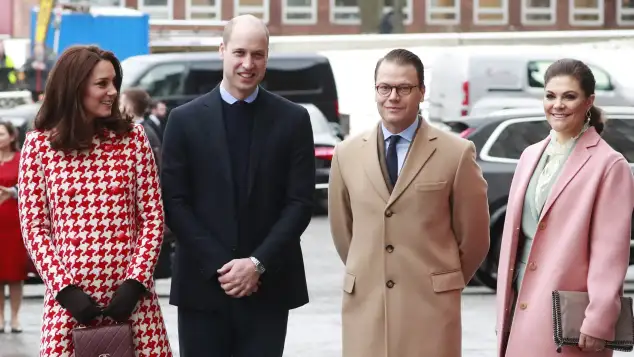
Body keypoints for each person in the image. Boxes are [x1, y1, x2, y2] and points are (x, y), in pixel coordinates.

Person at [161, 14, 315, 357]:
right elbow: (174, 201)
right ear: (222, 51)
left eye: (258, 55)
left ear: (267, 57)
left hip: (268, 285)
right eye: (240, 52)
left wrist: (256, 263)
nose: (248, 63)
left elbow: (300, 202)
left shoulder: (293, 119)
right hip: (202, 285)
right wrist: (224, 266)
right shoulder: (183, 120)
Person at [328, 48, 490, 357]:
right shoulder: (346, 154)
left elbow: (475, 238)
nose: (393, 97)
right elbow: (343, 231)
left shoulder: (456, 153)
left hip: (430, 309)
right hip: (367, 308)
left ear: (422, 92)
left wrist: (442, 281)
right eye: (384, 88)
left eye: (404, 88)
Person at [17, 45, 172, 356]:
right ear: (75, 87)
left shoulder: (133, 139)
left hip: (133, 305)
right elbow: (35, 227)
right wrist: (64, 290)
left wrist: (136, 283)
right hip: (69, 307)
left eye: (114, 82)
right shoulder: (39, 146)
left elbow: (153, 217)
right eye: (102, 84)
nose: (112, 92)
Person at [495, 58, 634, 357]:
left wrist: (599, 319)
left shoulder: (609, 165)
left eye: (569, 96)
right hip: (519, 301)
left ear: (589, 101)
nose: (557, 105)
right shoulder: (530, 155)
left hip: (567, 315)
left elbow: (610, 253)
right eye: (550, 96)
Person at [0, 121, 26, 334]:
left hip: (14, 222)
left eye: (1, 134)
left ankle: (16, 317)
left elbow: (28, 187)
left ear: (11, 136)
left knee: (15, 273)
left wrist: (12, 191)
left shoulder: (21, 159)